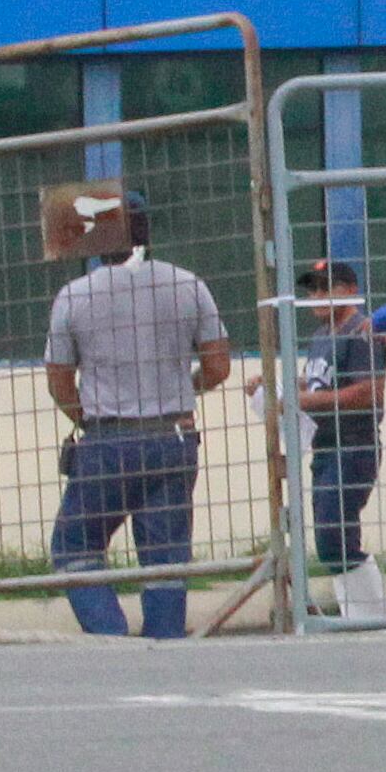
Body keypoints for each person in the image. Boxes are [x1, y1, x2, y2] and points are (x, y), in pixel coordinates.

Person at [43, 188, 232, 641]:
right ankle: (164, 646)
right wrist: (179, 389)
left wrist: (87, 418)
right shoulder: (187, 284)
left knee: (75, 545)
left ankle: (110, 635)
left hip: (108, 439)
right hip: (173, 436)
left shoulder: (74, 295)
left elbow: (59, 382)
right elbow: (218, 366)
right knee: (165, 557)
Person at [292, 261, 386, 594]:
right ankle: (362, 615)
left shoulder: (362, 331)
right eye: (313, 289)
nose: (317, 296)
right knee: (332, 537)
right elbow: (321, 383)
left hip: (353, 444)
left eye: (327, 288)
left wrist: (304, 401)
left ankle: (370, 616)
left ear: (350, 290)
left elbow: (369, 392)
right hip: (327, 445)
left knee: (334, 535)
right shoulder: (322, 335)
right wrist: (281, 388)